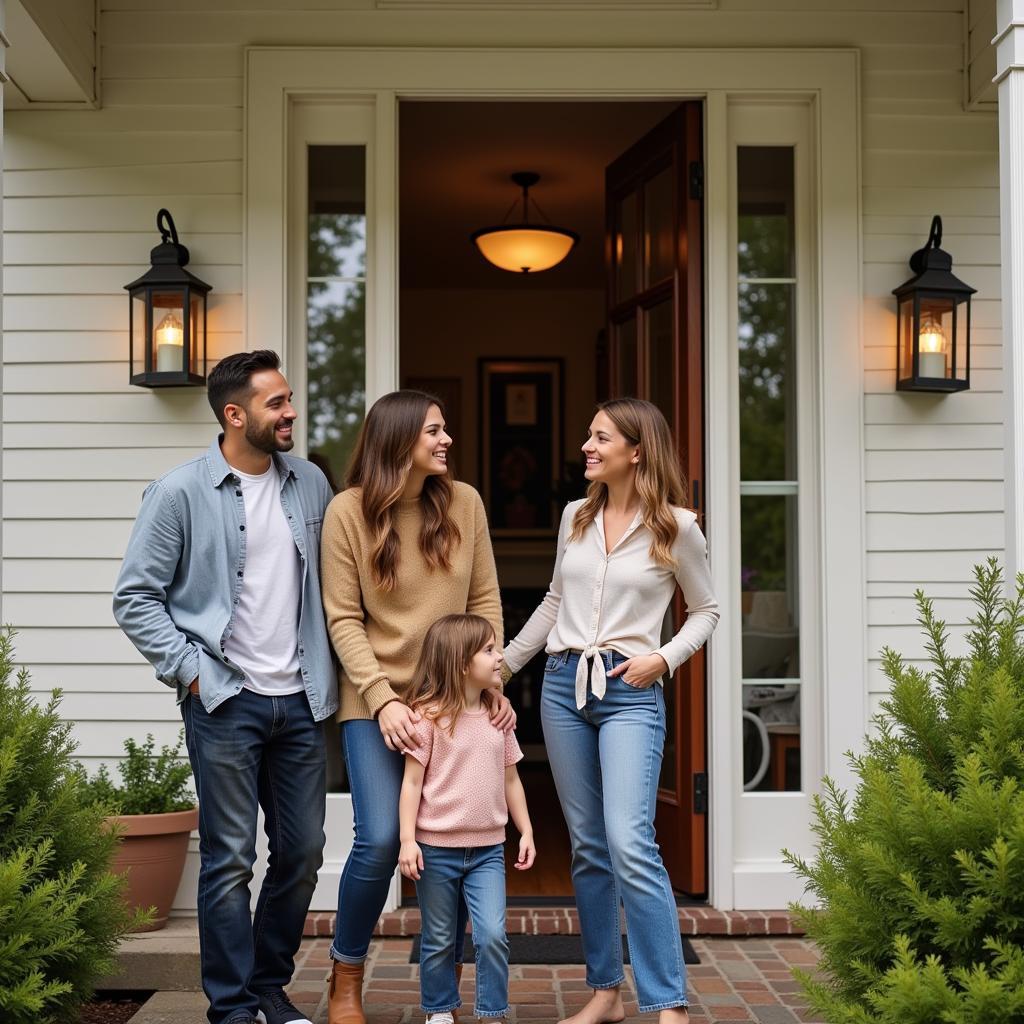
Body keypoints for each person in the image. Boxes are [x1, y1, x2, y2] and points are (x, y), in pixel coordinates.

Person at [112, 350, 336, 1024]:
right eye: (277, 402)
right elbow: (135, 599)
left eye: (290, 398)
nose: (291, 411)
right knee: (230, 857)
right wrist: (191, 671)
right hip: (224, 702)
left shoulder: (312, 484)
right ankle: (232, 1006)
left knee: (301, 852)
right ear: (235, 414)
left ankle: (268, 984)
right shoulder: (179, 492)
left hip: (300, 699)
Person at [503, 398, 720, 1024]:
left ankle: (668, 1003)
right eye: (588, 436)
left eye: (600, 438)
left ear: (637, 450)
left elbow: (705, 610)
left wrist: (665, 658)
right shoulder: (576, 514)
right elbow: (552, 601)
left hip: (630, 688)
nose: (586, 447)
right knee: (590, 847)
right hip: (563, 686)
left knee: (630, 840)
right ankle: (606, 993)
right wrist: (507, 665)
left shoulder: (678, 526)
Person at [320, 390, 515, 1024]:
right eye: (433, 430)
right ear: (399, 440)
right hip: (374, 699)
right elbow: (343, 618)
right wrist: (382, 702)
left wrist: (491, 687)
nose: (446, 440)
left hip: (458, 704)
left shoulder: (465, 504)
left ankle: (444, 990)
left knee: (452, 836)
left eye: (445, 429)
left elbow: (485, 602)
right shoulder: (347, 513)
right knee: (379, 839)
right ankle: (346, 972)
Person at [398, 614, 535, 1024]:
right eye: (489, 650)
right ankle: (440, 1010)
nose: (499, 658)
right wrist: (408, 840)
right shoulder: (426, 718)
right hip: (435, 849)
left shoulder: (499, 717)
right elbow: (410, 784)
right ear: (461, 663)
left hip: (488, 850)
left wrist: (525, 829)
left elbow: (511, 778)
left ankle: (491, 1011)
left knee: (493, 935)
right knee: (439, 938)